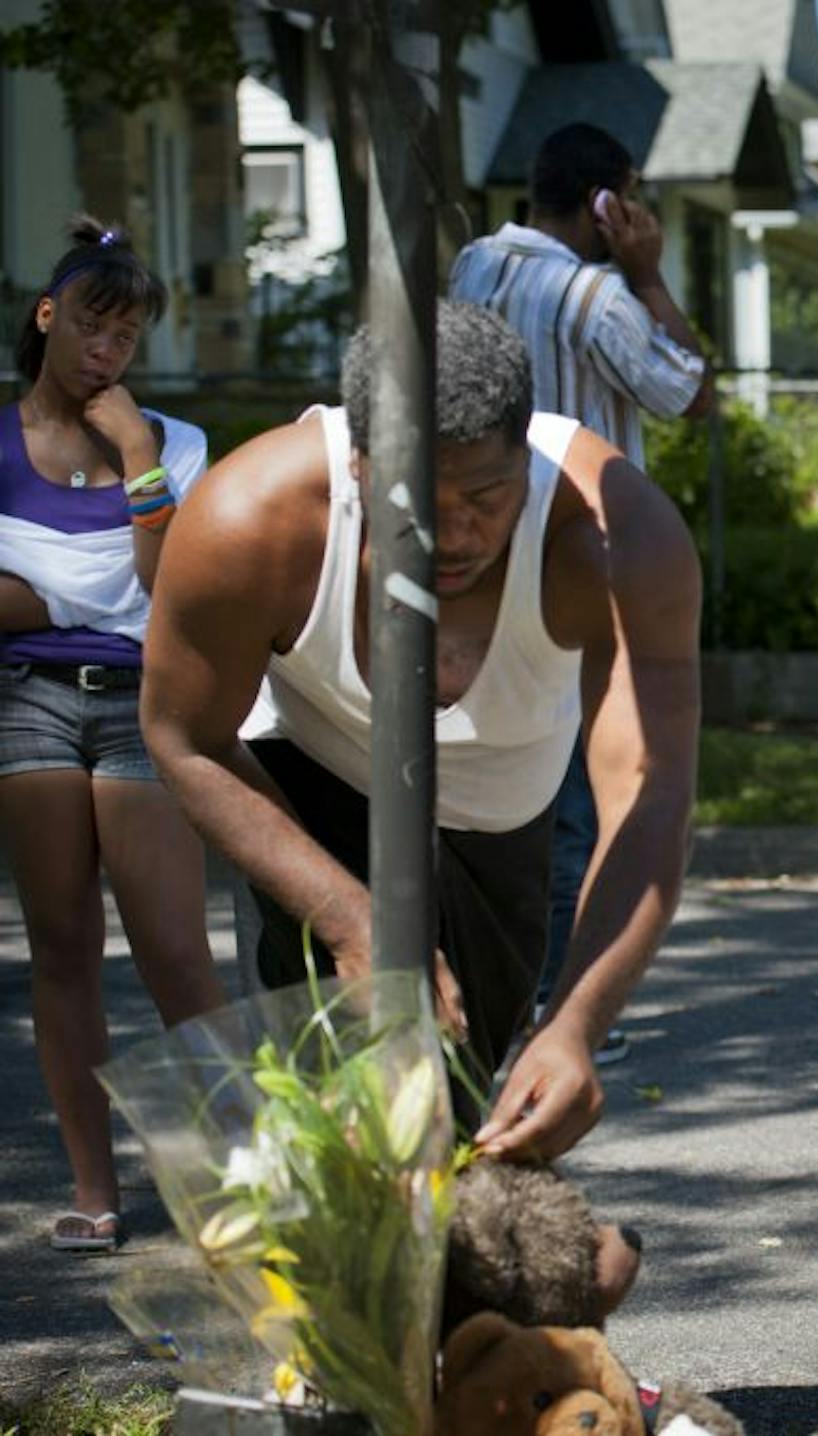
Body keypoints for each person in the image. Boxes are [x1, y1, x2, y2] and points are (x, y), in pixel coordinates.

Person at [140, 299, 702, 1162]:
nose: (456, 533)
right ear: (359, 463)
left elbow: (650, 793)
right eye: (417, 499)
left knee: (465, 1131)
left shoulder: (616, 535)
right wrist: (353, 921)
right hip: (309, 782)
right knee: (342, 1139)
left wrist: (576, 1024)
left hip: (498, 819)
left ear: (528, 453)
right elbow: (183, 738)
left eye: (486, 494)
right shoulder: (251, 521)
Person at [449, 122, 714, 1068]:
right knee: (577, 799)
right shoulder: (597, 292)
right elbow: (690, 393)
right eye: (630, 200)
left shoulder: (473, 264)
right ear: (608, 203)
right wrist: (648, 273)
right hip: (575, 552)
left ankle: (500, 991)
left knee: (501, 780)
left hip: (471, 555)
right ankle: (561, 1011)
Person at [0, 217, 227, 1251]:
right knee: (62, 950)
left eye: (127, 336)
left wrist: (137, 451)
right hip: (29, 705)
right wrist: (69, 605)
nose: (107, 351)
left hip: (147, 709)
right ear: (47, 315)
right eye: (93, 324)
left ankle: (236, 1183)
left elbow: (167, 588)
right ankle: (96, 1191)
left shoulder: (172, 443)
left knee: (177, 954)